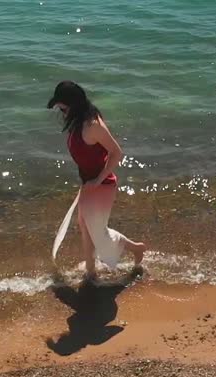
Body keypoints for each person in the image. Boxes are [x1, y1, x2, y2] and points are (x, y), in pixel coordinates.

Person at [47, 81, 147, 279]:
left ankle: (136, 249)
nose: (62, 112)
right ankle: (91, 269)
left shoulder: (92, 126)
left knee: (98, 232)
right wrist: (88, 182)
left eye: (63, 107)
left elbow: (117, 153)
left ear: (73, 105)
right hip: (89, 183)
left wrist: (98, 180)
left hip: (102, 185)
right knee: (84, 224)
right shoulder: (78, 120)